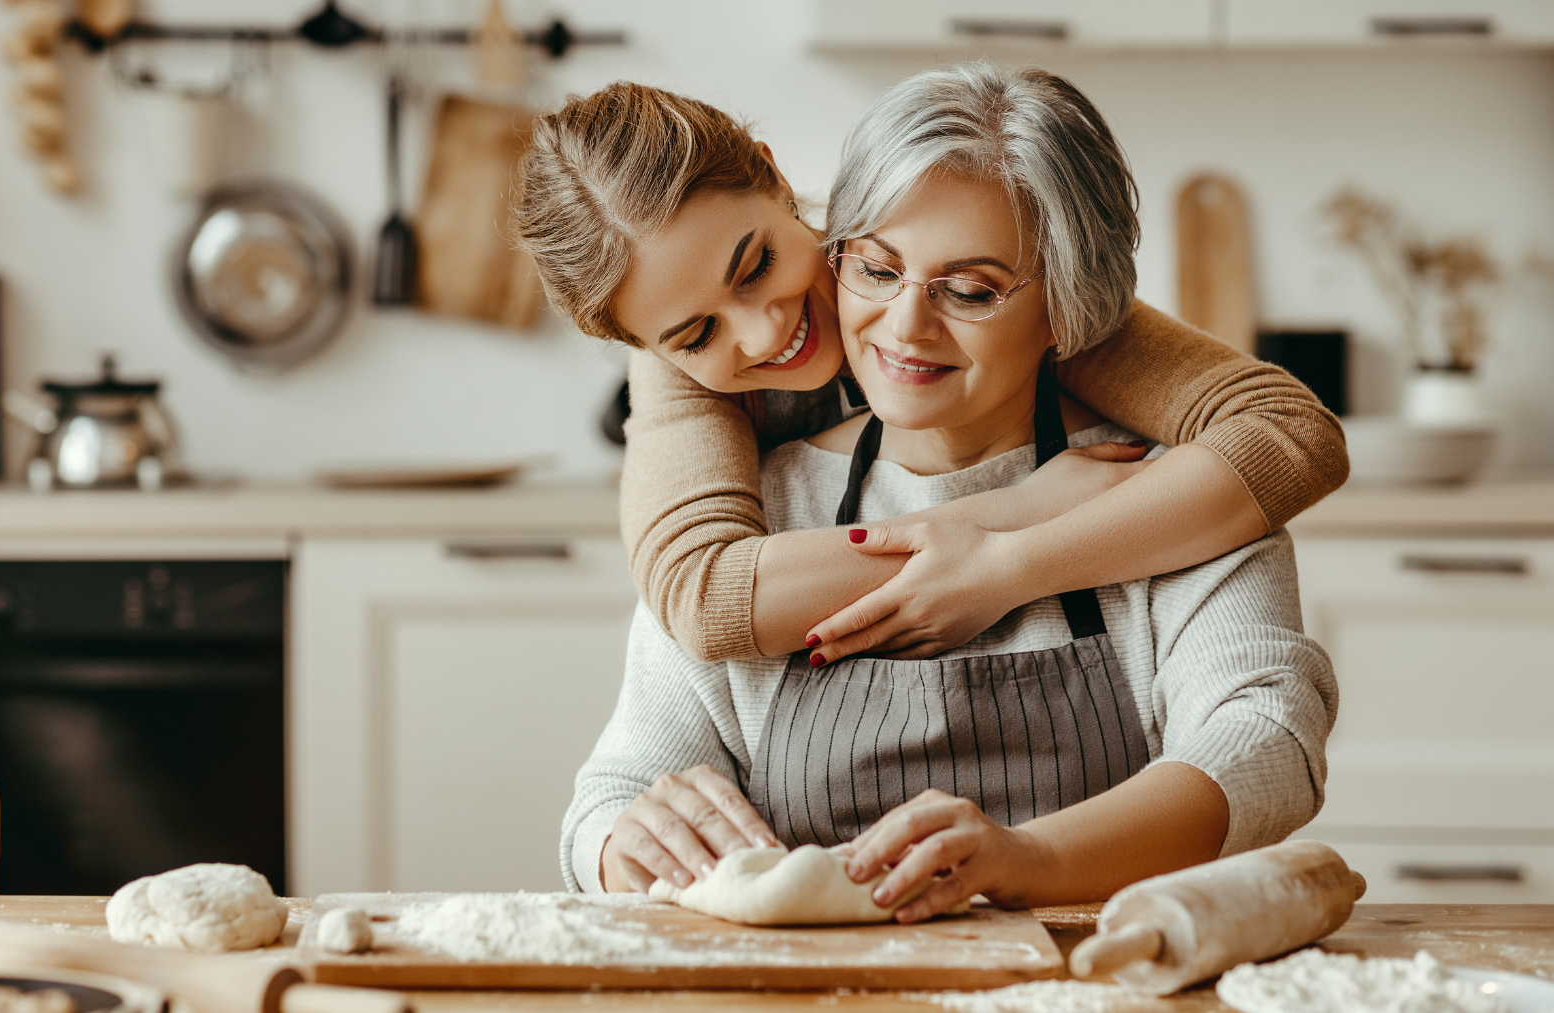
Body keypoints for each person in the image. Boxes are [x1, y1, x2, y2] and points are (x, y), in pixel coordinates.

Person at [559, 65, 1336, 917]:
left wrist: (1029, 857)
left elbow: (1267, 744)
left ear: (1072, 311)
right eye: (877, 272)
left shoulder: (1170, 494)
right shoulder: (755, 514)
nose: (905, 326)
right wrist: (618, 840)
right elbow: (618, 784)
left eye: (970, 290)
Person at [514, 77, 1346, 668]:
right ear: (647, 345)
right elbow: (705, 597)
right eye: (697, 333)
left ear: (775, 178)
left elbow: (1290, 433)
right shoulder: (673, 371)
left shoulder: (930, 265)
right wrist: (1018, 510)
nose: (766, 328)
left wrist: (1020, 566)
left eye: (757, 263)